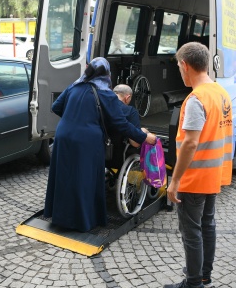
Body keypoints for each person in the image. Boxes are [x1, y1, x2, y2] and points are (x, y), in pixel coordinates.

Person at [44, 57, 157, 233]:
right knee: (84, 178)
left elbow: (56, 107)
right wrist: (143, 137)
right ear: (106, 74)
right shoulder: (106, 93)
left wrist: (75, 117)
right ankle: (81, 221)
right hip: (87, 140)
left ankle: (60, 216)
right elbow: (121, 124)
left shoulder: (75, 86)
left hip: (64, 135)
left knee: (64, 176)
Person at [163, 42, 233, 288]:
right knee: (207, 225)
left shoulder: (195, 100)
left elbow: (191, 142)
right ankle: (204, 275)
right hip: (214, 173)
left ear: (185, 65)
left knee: (191, 230)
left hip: (194, 177)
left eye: (179, 67)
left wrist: (175, 180)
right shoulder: (220, 93)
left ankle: (193, 286)